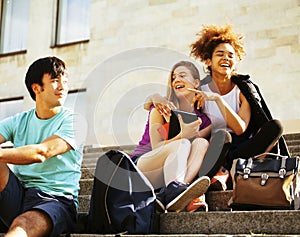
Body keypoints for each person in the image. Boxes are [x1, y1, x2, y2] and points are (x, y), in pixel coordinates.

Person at [145, 24, 289, 186]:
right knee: (220, 135)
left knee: (275, 126)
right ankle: (217, 174)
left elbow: (240, 128)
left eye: (230, 55)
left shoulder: (244, 90)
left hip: (239, 148)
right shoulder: (199, 88)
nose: (226, 58)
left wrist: (217, 100)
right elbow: (176, 97)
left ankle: (227, 170)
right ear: (209, 60)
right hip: (212, 146)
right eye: (220, 54)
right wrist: (155, 97)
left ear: (236, 61)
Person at [0, 56, 85, 237]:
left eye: (65, 81)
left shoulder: (75, 121)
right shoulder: (19, 120)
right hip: (18, 196)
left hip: (55, 200)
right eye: (55, 81)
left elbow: (41, 152)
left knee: (23, 224)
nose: (62, 87)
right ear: (36, 88)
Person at [130, 61, 212, 213]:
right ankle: (174, 189)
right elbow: (156, 147)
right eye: (174, 78)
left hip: (171, 173)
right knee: (183, 144)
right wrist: (183, 135)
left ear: (196, 83)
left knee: (201, 143)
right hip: (143, 167)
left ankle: (171, 193)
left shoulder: (204, 121)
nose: (176, 80)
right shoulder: (161, 107)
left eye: (182, 75)